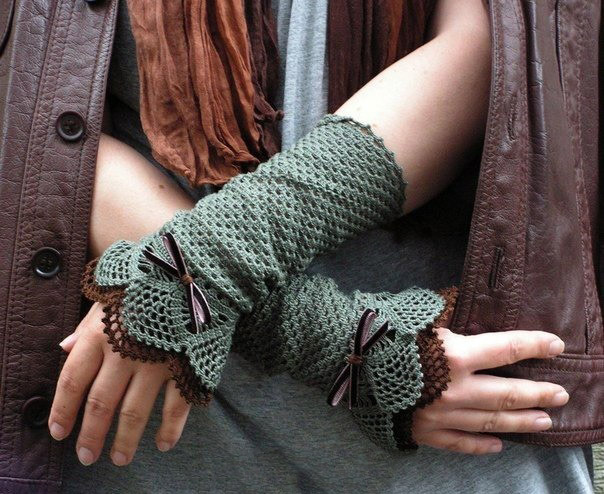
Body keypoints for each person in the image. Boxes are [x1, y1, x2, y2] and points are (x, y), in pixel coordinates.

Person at [52, 0, 594, 492]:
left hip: (446, 419)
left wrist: (200, 260)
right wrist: (341, 342)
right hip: (157, 428)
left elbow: (489, 45)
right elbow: (37, 122)